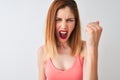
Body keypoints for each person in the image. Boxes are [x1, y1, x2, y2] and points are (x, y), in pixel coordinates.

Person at [37, 0, 103, 80]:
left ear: (75, 23)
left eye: (69, 20)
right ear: (51, 22)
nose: (64, 26)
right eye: (58, 19)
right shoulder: (42, 51)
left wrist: (93, 47)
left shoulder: (86, 48)